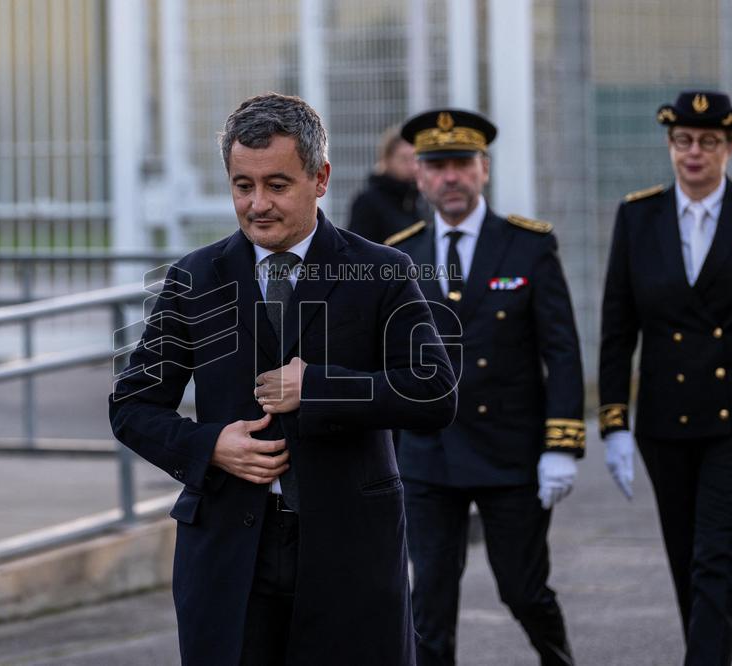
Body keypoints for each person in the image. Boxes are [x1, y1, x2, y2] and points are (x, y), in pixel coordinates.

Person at [110, 92, 457, 666]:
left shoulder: (381, 271)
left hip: (350, 552)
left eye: (277, 185)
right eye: (242, 186)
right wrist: (209, 445)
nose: (257, 205)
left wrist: (318, 387)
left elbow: (434, 391)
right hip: (227, 555)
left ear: (320, 178)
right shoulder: (194, 278)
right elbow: (132, 407)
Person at [388, 108, 585, 666]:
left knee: (523, 590)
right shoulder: (399, 254)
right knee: (428, 599)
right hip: (428, 456)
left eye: (462, 164)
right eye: (436, 165)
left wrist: (561, 445)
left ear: (484, 169)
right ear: (420, 176)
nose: (450, 176)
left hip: (510, 454)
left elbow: (562, 351)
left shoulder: (527, 246)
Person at [599, 90, 732, 666]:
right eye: (683, 141)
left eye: (708, 142)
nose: (694, 154)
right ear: (670, 146)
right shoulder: (639, 216)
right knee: (689, 560)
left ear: (730, 148)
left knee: (719, 556)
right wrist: (614, 422)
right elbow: (617, 327)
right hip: (667, 417)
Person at [348, 125, 429, 243]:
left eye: (415, 159)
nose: (412, 166)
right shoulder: (368, 202)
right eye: (404, 159)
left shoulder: (420, 199)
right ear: (387, 160)